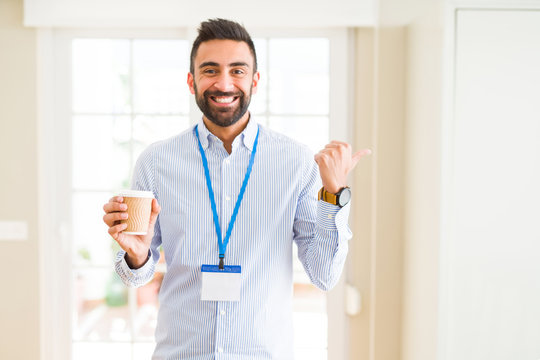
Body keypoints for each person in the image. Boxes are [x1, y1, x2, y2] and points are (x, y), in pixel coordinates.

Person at [102, 18, 370, 360]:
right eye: (210, 70)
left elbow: (323, 276)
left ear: (255, 81)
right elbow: (134, 278)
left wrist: (334, 195)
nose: (224, 83)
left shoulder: (296, 162)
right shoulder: (156, 162)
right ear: (192, 81)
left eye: (238, 71)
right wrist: (137, 256)